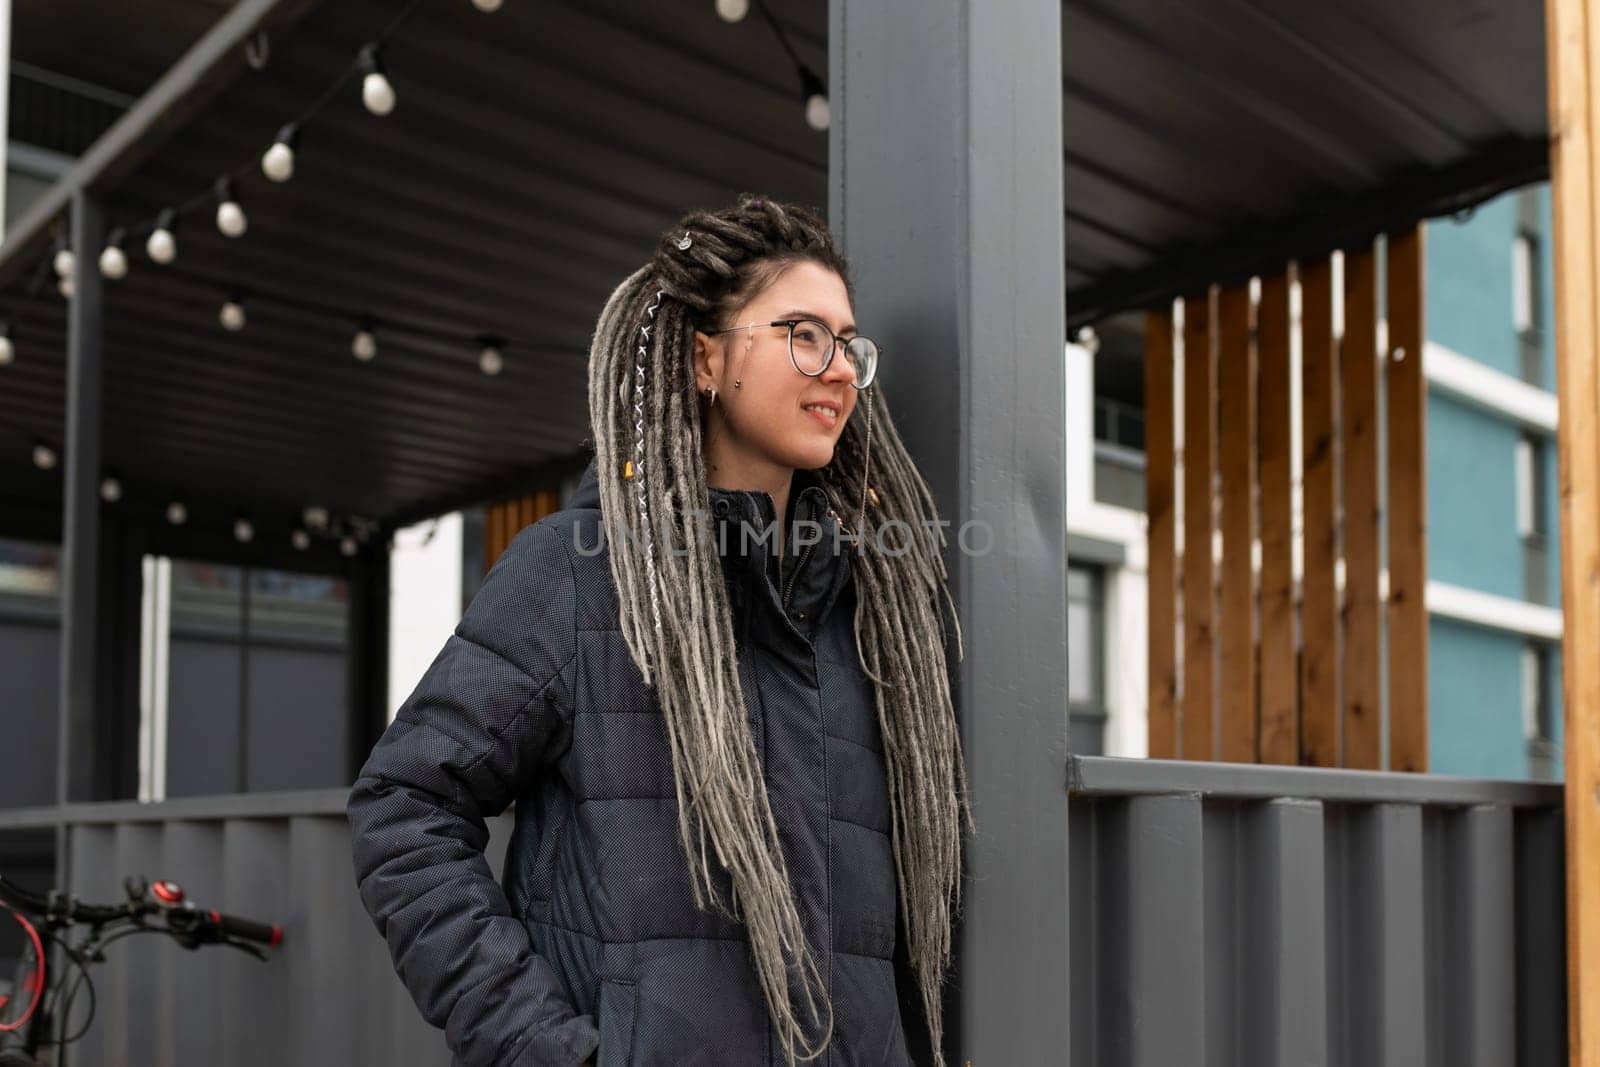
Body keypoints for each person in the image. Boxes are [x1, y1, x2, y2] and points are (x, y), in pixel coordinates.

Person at [347, 196, 970, 1067]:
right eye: (803, 334)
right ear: (705, 358)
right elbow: (404, 807)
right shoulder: (580, 570)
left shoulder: (868, 608)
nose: (837, 368)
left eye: (849, 345)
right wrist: (544, 1048)